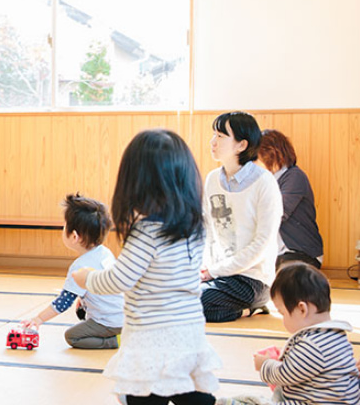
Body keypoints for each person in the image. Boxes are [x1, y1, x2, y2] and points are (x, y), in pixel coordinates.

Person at [73, 129, 221, 405]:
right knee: (186, 389)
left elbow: (119, 279)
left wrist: (88, 278)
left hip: (153, 337)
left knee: (141, 395)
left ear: (137, 184)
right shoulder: (195, 226)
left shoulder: (148, 232)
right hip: (189, 330)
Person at [224, 263, 360, 404]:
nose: (283, 320)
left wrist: (265, 364)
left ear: (302, 309)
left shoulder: (312, 345)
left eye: (283, 313)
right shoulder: (336, 336)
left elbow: (284, 375)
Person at [201, 112, 283, 323]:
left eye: (220, 136)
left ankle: (252, 308)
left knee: (198, 302)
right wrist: (202, 268)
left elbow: (262, 245)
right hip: (218, 274)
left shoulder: (264, 183)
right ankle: (240, 307)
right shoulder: (212, 179)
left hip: (252, 279)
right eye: (214, 135)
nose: (213, 142)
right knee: (172, 296)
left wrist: (215, 271)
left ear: (241, 145)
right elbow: (205, 230)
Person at [21, 194, 124, 349]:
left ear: (74, 236)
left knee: (72, 337)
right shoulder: (105, 252)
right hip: (124, 317)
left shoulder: (79, 268)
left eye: (65, 226)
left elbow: (63, 303)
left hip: (108, 322)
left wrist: (38, 319)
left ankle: (114, 341)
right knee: (81, 309)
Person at [258, 129, 324, 269]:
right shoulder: (266, 178)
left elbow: (278, 213)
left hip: (300, 252)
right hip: (276, 254)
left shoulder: (294, 176)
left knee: (281, 282)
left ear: (272, 153)